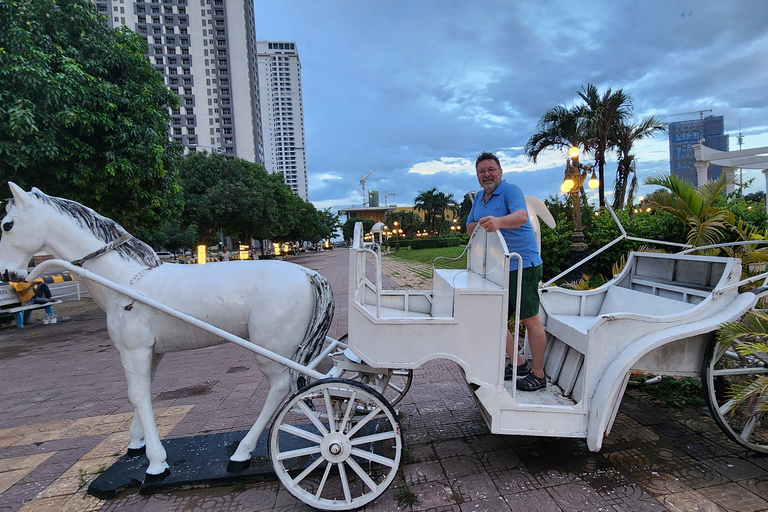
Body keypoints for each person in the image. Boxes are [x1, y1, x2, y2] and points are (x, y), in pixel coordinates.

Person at [466, 152, 547, 391]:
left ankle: (538, 374)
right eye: (482, 171)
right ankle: (519, 363)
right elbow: (470, 227)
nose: (487, 174)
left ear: (500, 172)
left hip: (522, 265)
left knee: (530, 320)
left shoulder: (511, 190)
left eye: (491, 169)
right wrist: (481, 226)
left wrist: (499, 222)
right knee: (496, 319)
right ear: (477, 176)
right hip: (496, 268)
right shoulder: (480, 198)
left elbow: (522, 216)